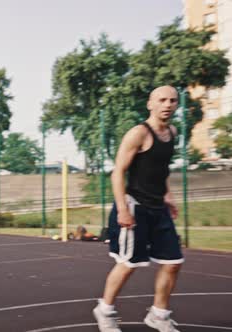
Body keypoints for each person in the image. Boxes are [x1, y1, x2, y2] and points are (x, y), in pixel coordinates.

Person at [93, 86, 184, 332]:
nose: (167, 104)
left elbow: (160, 170)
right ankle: (105, 310)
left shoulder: (172, 132)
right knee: (128, 264)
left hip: (158, 207)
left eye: (172, 100)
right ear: (150, 104)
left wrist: (169, 196)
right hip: (135, 207)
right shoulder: (138, 133)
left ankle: (159, 315)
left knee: (173, 261)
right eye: (162, 100)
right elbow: (118, 172)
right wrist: (123, 209)